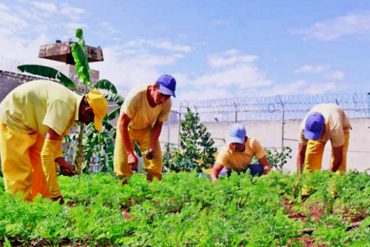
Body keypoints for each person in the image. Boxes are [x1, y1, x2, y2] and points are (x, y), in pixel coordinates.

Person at [0, 80, 108, 202]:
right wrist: (56, 194)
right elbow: (46, 154)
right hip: (13, 118)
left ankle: (42, 205)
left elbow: (55, 141)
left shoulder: (71, 106)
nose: (88, 123)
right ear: (87, 110)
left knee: (40, 170)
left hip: (31, 123)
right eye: (91, 120)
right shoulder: (64, 105)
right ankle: (20, 209)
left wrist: (61, 161)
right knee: (19, 173)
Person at [114, 74, 176, 182]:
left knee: (156, 162)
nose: (163, 99)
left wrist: (151, 146)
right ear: (154, 87)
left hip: (146, 128)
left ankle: (151, 193)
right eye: (161, 95)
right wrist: (130, 153)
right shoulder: (137, 95)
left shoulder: (167, 104)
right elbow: (123, 123)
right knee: (122, 165)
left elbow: (158, 124)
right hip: (127, 128)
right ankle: (124, 194)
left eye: (167, 97)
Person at [297, 103, 351, 174]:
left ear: (324, 127)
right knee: (310, 165)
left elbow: (338, 159)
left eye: (317, 135)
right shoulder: (304, 127)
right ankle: (309, 183)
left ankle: (336, 184)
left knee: (339, 169)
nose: (315, 138)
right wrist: (299, 176)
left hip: (341, 125)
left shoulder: (335, 127)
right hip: (324, 117)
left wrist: (326, 177)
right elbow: (301, 153)